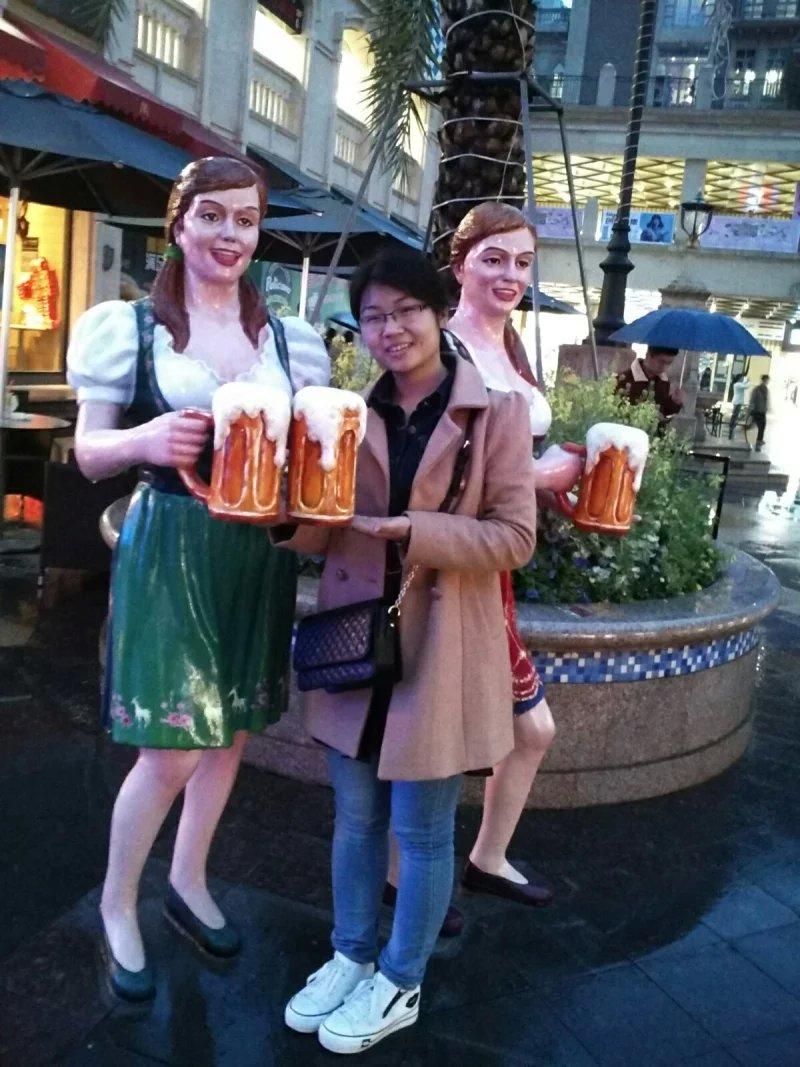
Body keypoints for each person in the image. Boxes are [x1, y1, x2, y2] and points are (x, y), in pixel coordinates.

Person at [67, 156, 329, 1003]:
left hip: (256, 548)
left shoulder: (286, 338)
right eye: (211, 215)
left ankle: (188, 875)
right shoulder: (131, 326)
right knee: (173, 743)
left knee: (231, 730)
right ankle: (117, 902)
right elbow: (88, 451)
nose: (229, 234)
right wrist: (146, 441)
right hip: (172, 537)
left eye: (245, 220)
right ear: (178, 223)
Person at [279, 248, 537, 1054]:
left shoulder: (497, 413)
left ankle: (400, 977)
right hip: (358, 639)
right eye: (374, 317)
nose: (390, 329)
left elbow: (515, 537)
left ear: (439, 312)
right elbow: (326, 530)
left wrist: (414, 531)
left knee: (422, 833)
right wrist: (282, 516)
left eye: (406, 311)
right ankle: (351, 954)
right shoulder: (348, 415)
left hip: (441, 646)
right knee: (355, 817)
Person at [616, 345, 685, 423]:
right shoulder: (624, 379)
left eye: (669, 363)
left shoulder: (664, 381)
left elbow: (664, 411)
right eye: (661, 362)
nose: (664, 367)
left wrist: (674, 402)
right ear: (648, 355)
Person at [749, 374, 770, 451]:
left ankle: (759, 440)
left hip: (762, 410)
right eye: (767, 380)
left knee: (762, 426)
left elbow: (766, 400)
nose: (767, 382)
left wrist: (766, 408)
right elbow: (752, 399)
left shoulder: (766, 389)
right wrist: (751, 409)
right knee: (758, 425)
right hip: (757, 410)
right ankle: (758, 440)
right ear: (763, 380)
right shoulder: (757, 389)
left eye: (768, 380)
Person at [728, 373, 749, 439]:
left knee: (735, 415)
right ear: (739, 378)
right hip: (737, 402)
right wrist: (748, 381)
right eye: (742, 378)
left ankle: (732, 426)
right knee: (735, 415)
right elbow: (746, 386)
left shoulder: (738, 384)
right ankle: (731, 427)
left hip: (738, 401)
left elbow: (744, 384)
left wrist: (746, 380)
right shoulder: (737, 384)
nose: (743, 379)